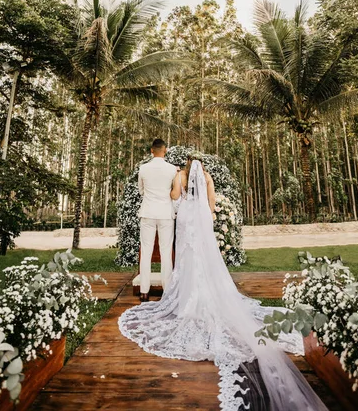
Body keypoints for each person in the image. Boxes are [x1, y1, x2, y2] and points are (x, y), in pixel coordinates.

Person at [120, 152, 327, 410]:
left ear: (186, 164)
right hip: (201, 219)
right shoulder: (206, 177)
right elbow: (212, 203)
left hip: (185, 218)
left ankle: (186, 297)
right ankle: (206, 292)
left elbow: (174, 197)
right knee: (204, 258)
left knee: (186, 257)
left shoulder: (179, 175)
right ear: (201, 165)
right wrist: (206, 216)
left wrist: (180, 195)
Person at [137, 138, 177, 302]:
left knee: (145, 252)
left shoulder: (143, 168)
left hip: (147, 212)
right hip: (166, 214)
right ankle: (166, 291)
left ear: (151, 151)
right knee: (166, 252)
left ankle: (144, 292)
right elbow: (174, 193)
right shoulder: (172, 170)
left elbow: (141, 191)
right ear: (165, 150)